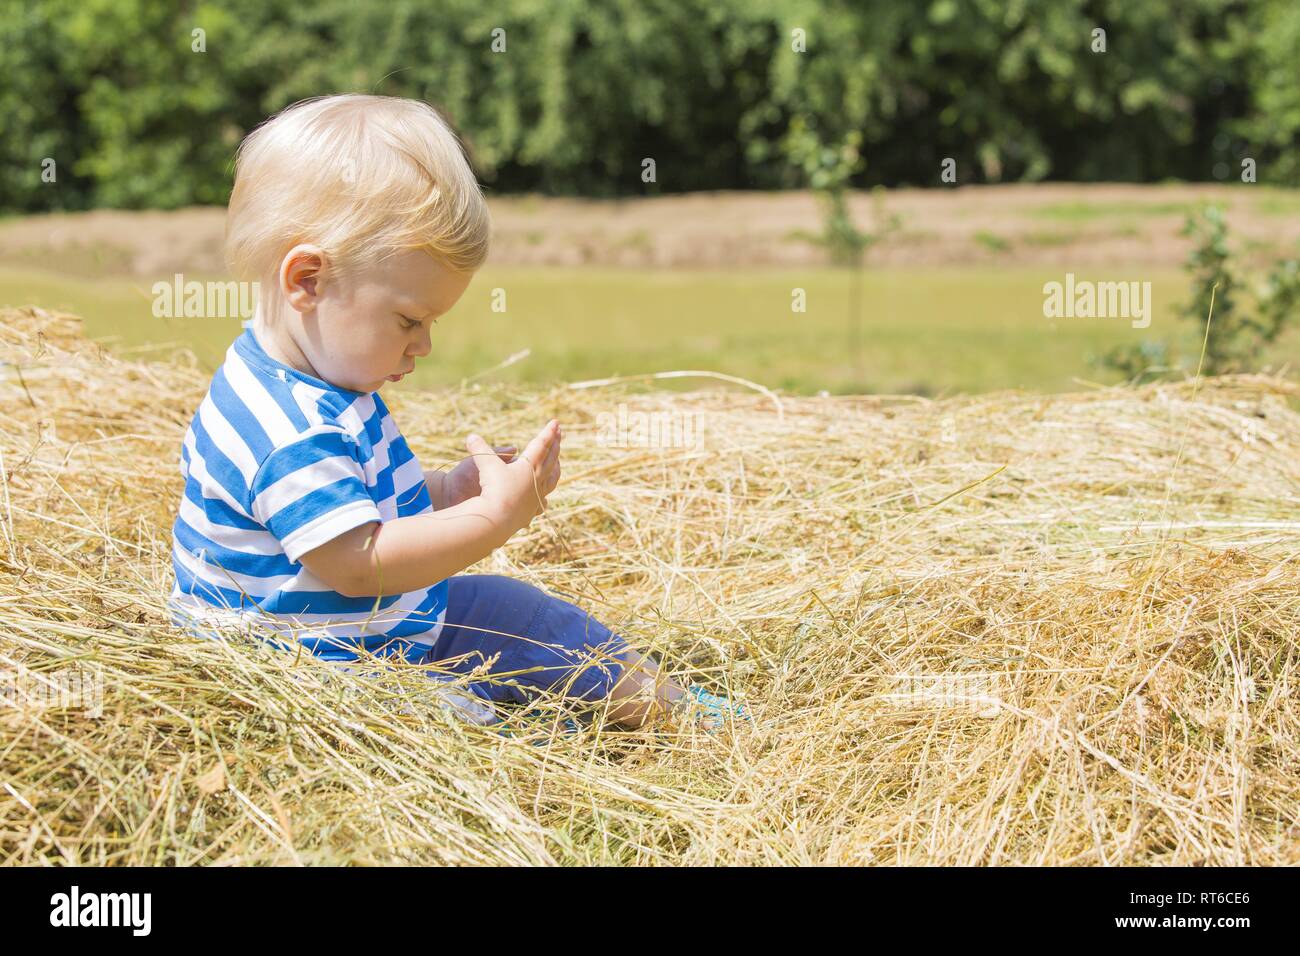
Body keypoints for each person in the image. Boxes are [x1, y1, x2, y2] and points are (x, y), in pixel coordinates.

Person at [167, 94, 746, 733]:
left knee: (525, 616)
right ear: (307, 280)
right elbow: (359, 564)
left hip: (362, 630)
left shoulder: (314, 374)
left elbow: (357, 511)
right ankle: (590, 722)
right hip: (310, 667)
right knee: (459, 725)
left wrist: (446, 491)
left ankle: (668, 708)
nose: (425, 345)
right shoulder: (288, 429)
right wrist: (493, 517)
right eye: (410, 320)